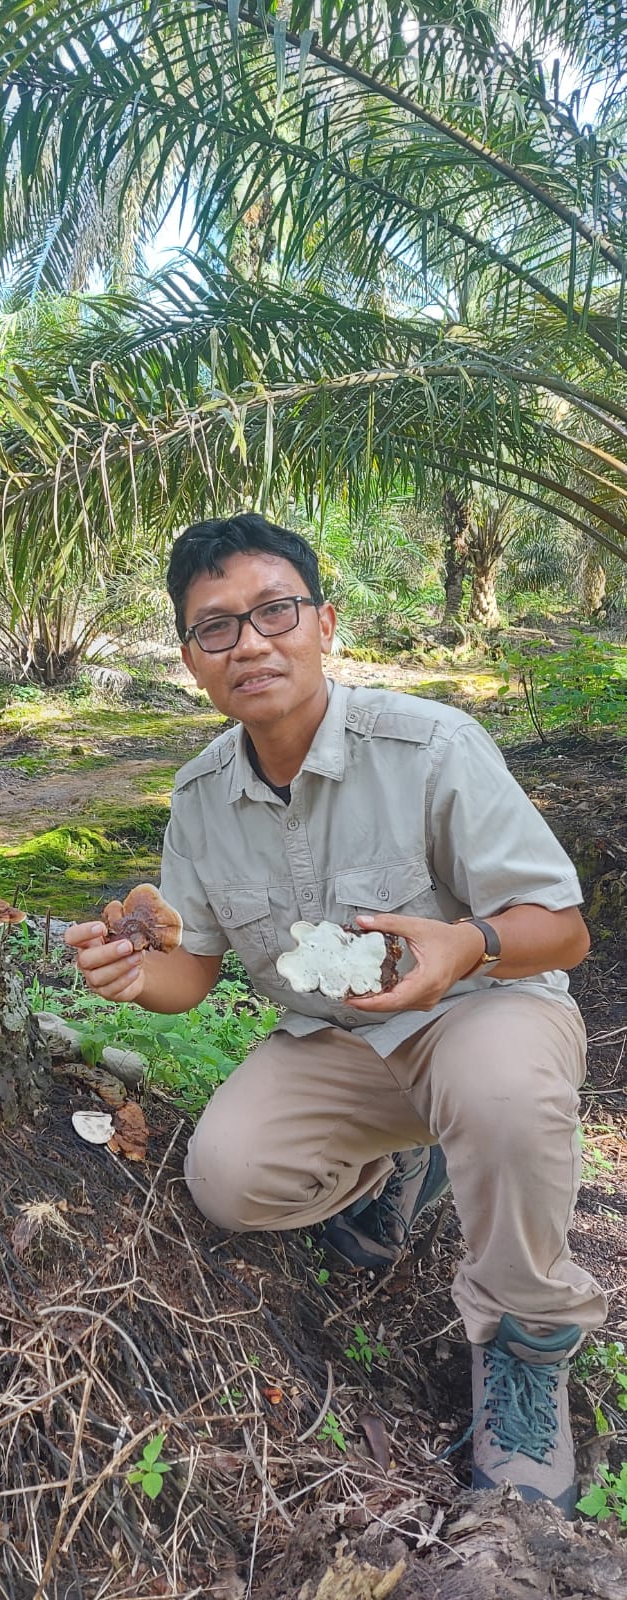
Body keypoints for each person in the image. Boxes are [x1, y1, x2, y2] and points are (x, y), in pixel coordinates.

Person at [65, 512, 607, 1514]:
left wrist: (468, 945)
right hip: (333, 1043)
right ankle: (401, 1162)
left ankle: (527, 1348)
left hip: (479, 1013)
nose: (250, 643)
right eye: (215, 627)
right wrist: (135, 976)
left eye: (274, 610)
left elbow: (562, 930)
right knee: (230, 1179)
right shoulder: (198, 800)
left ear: (324, 622)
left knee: (498, 1094)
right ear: (190, 658)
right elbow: (189, 968)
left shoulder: (431, 744)